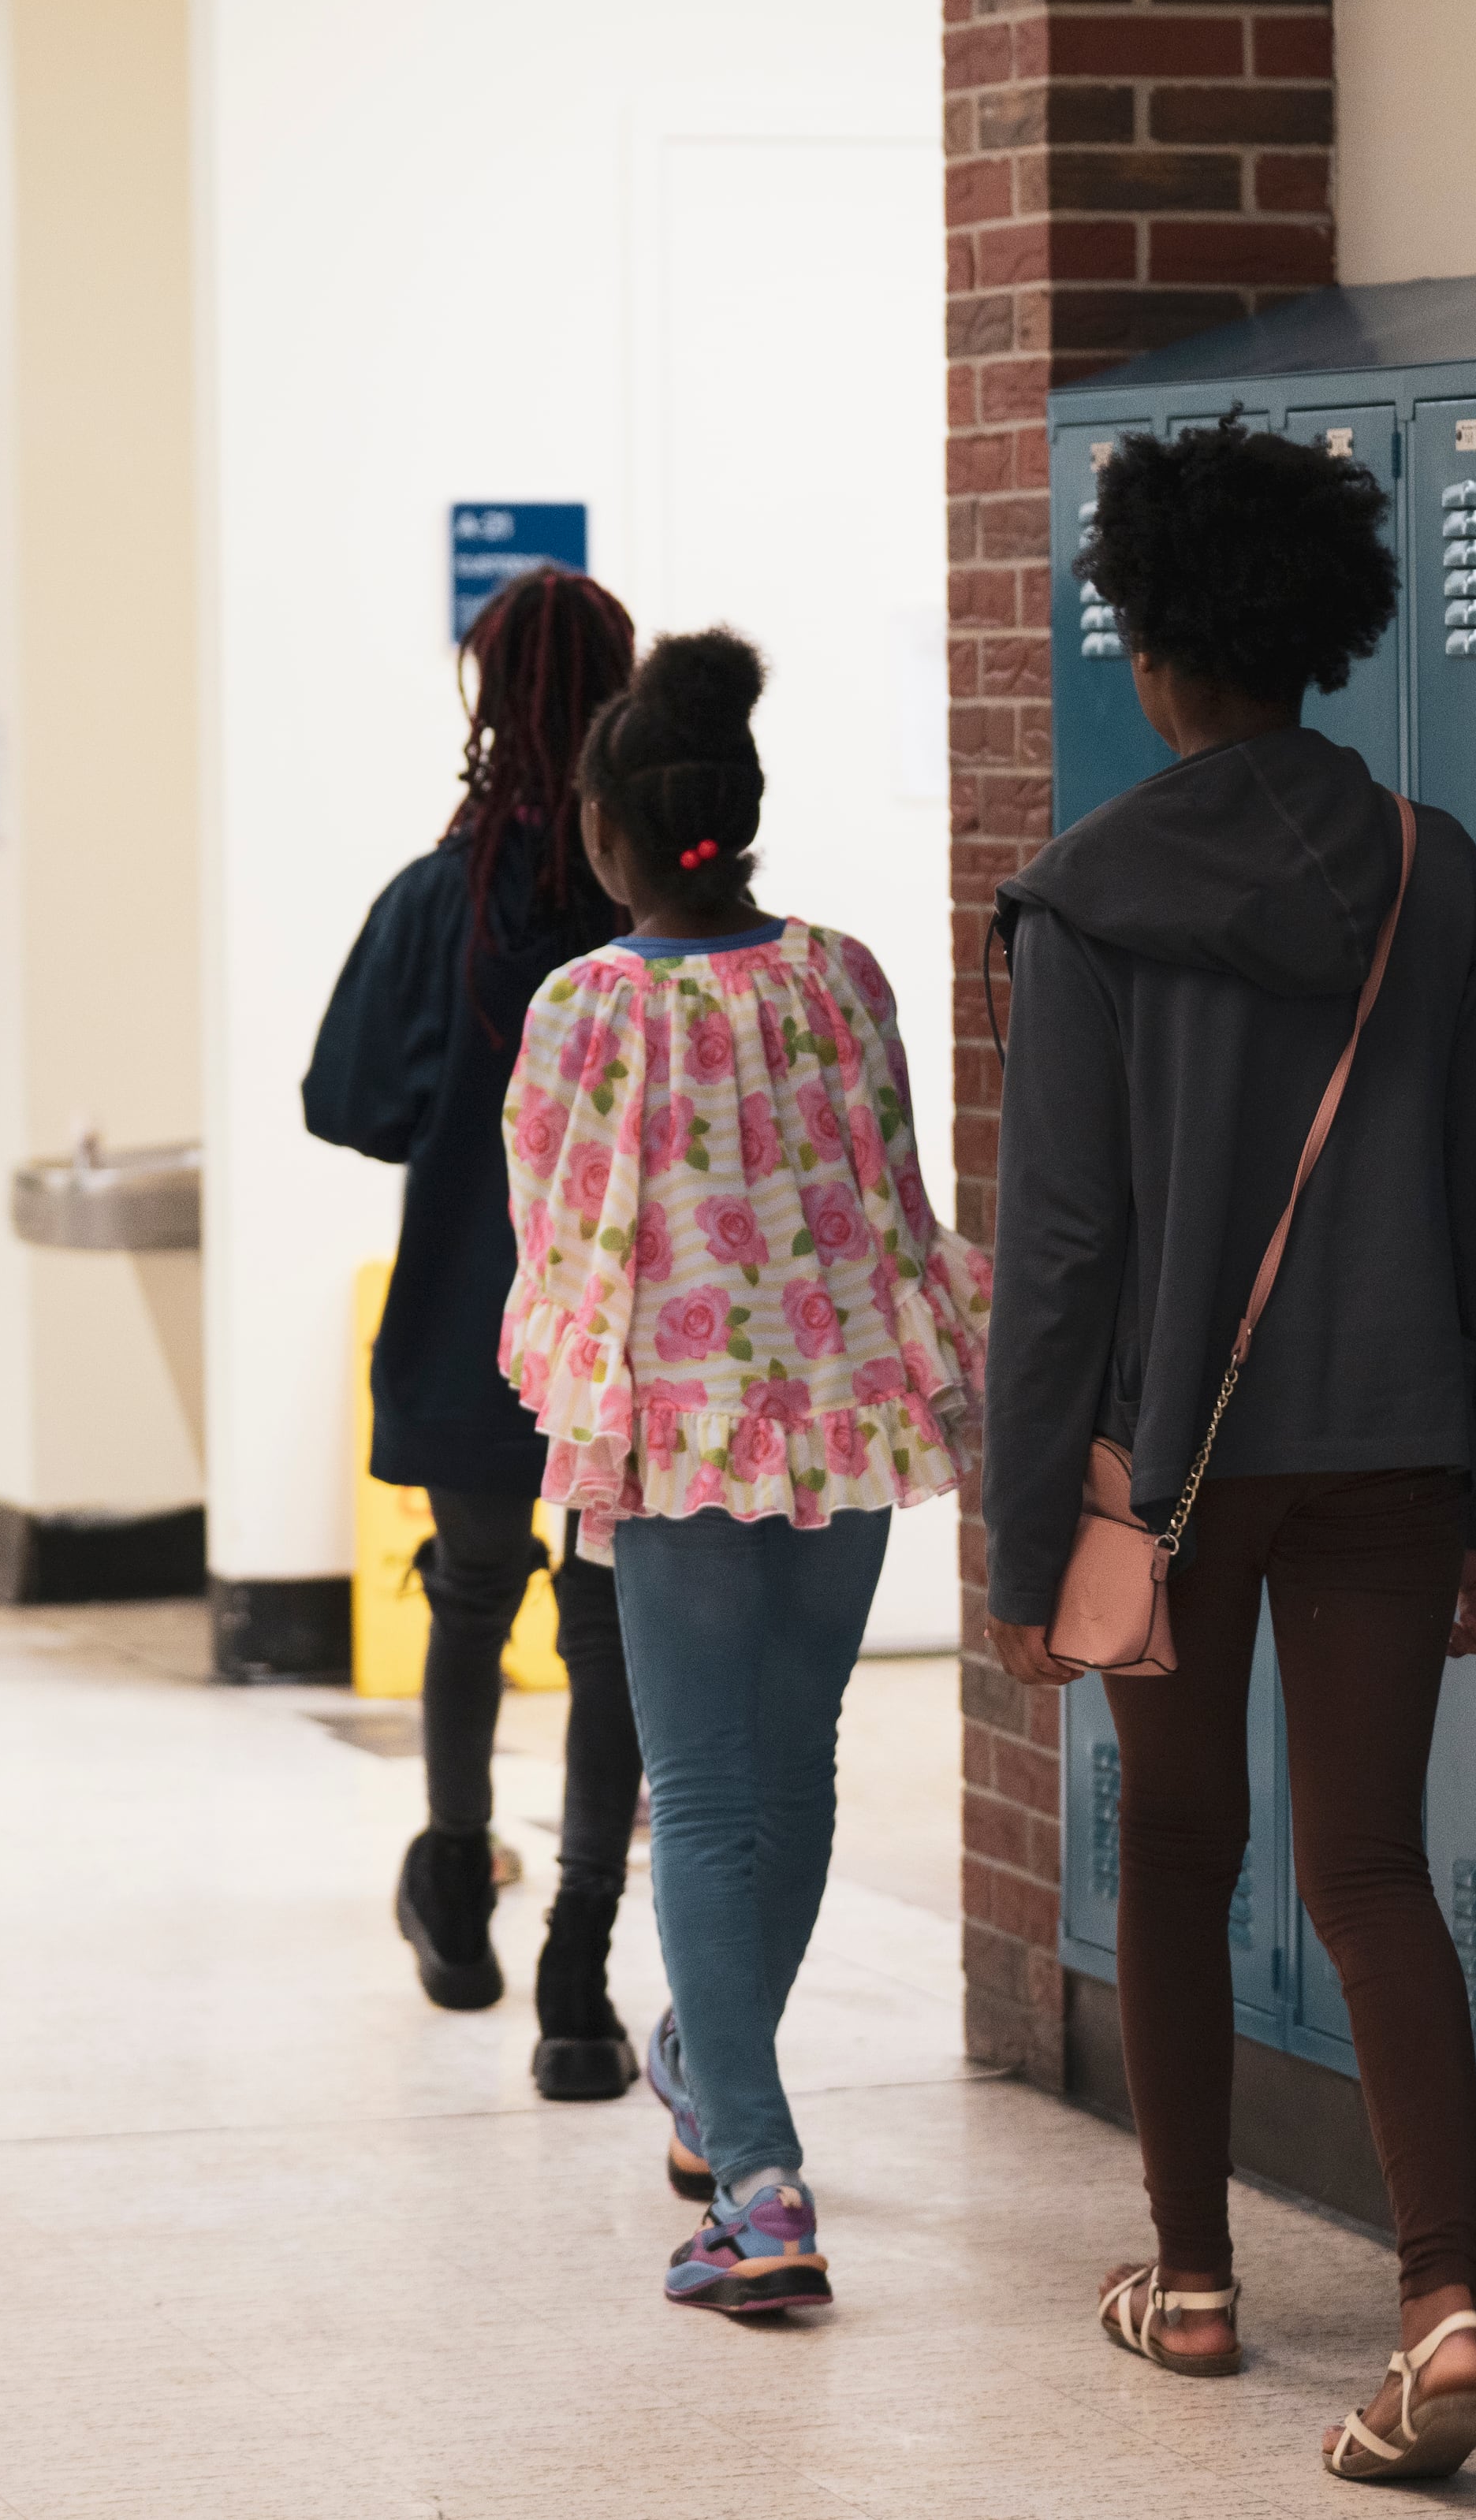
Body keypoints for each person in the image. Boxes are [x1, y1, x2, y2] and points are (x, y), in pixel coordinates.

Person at [978, 422, 1476, 2483]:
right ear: (1319, 633)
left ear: (1151, 644)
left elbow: (1059, 1254)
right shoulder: (1434, 867)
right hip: (1400, 1444)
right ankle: (1445, 2300)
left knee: (1185, 1845)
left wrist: (1029, 1542)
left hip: (1177, 1469)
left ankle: (1194, 2277)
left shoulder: (1086, 903)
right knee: (1372, 1861)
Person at [498, 626, 990, 2316]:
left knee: (698, 1799)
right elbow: (895, 1194)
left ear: (610, 836)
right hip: (845, 1421)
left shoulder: (584, 1007)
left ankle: (760, 2186)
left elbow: (553, 1235)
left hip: (677, 1434)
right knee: (796, 1771)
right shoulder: (842, 973)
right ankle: (715, 2080)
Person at [304, 566, 651, 2095]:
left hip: (467, 1310)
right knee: (605, 1628)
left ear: (484, 700)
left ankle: (454, 1883)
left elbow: (346, 1099)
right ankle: (579, 1968)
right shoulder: (660, 909)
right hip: (631, 1331)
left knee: (468, 1591)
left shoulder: (437, 899)